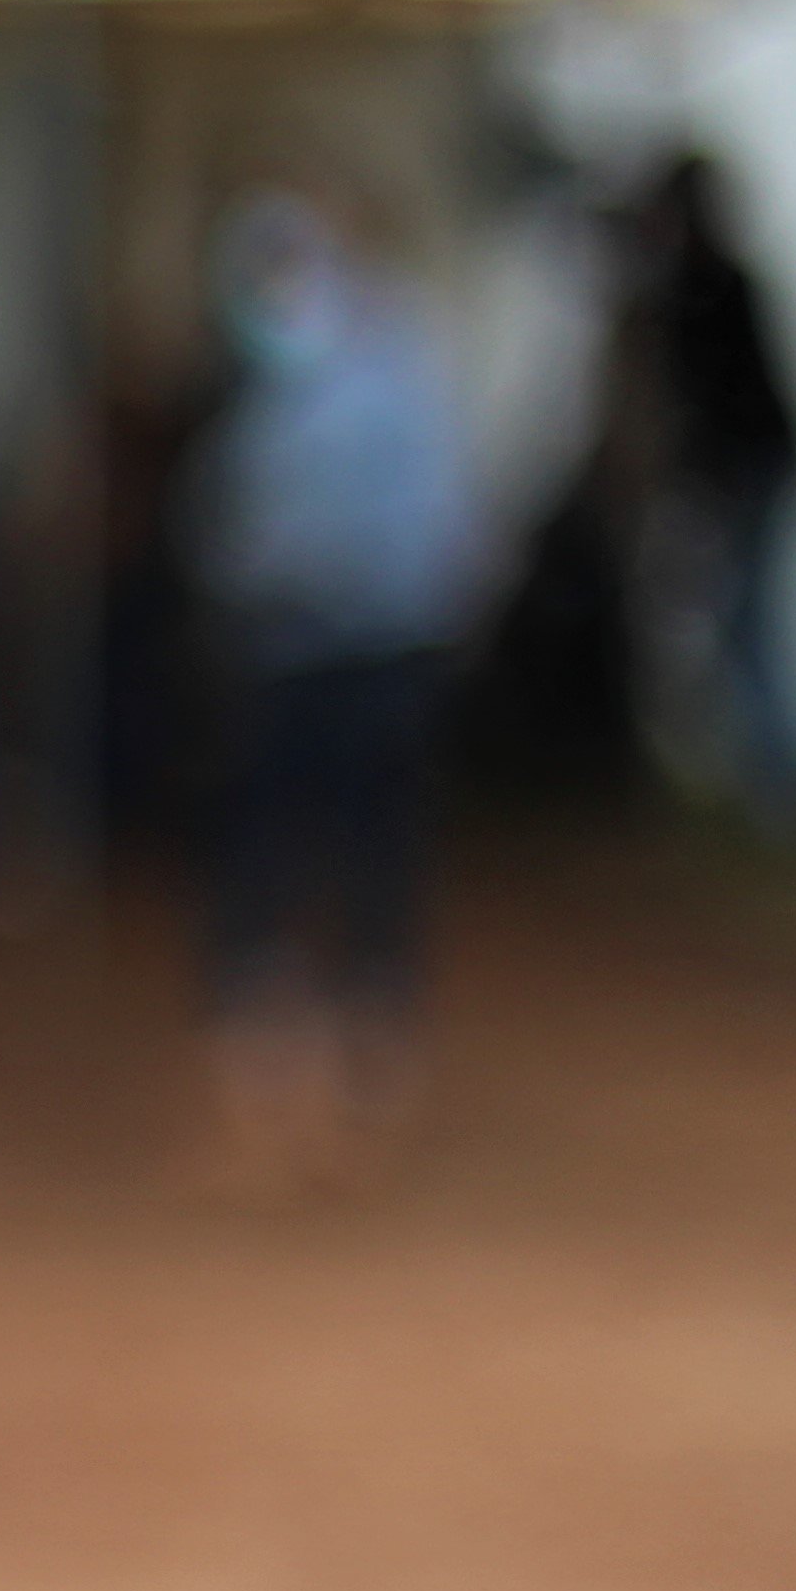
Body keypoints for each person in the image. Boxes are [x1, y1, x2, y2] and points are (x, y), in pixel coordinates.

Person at [183, 186, 482, 1185]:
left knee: (359, 856)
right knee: (282, 860)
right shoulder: (283, 388)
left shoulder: (383, 376)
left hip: (362, 655)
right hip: (300, 659)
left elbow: (411, 532)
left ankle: (358, 1067)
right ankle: (279, 1074)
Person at [603, 151, 796, 818]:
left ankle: (780, 792)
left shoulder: (705, 289)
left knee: (752, 630)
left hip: (747, 474)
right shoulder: (714, 284)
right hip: (749, 473)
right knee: (748, 627)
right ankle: (773, 786)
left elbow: (720, 402)